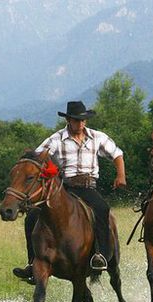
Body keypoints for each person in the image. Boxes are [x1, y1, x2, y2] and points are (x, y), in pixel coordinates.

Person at [13, 100, 127, 282]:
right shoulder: (56, 139)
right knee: (33, 215)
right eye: (76, 120)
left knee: (102, 209)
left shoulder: (97, 137)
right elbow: (37, 156)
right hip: (64, 188)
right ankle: (33, 262)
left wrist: (120, 175)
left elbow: (117, 153)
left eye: (83, 120)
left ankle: (102, 255)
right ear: (68, 120)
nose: (80, 124)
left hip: (88, 186)